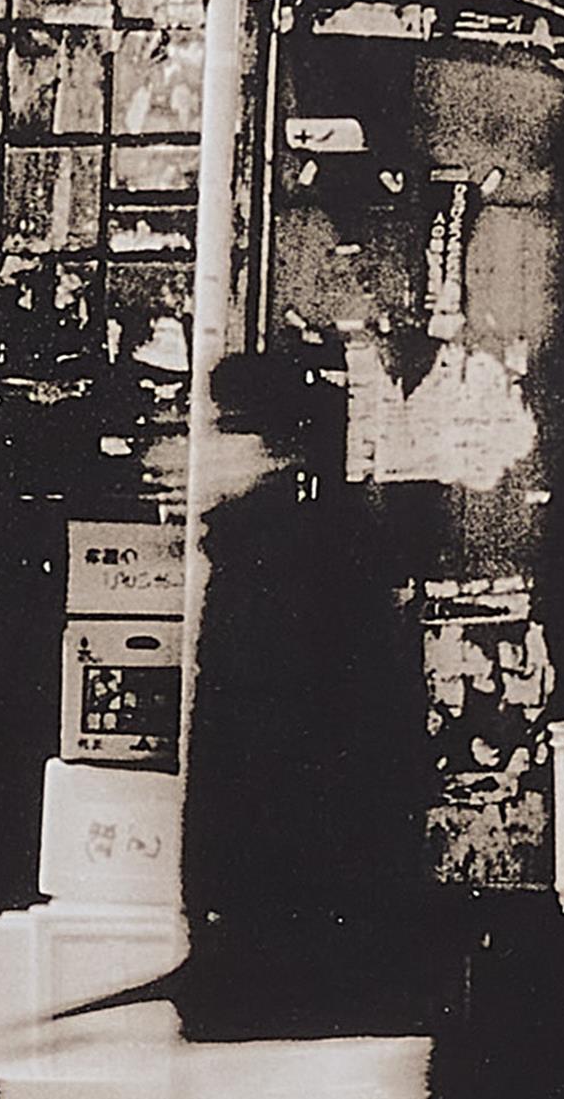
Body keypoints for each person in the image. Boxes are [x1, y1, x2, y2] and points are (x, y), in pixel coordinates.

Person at [178, 342, 435, 1039]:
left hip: (294, 941)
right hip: (282, 934)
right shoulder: (257, 549)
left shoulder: (288, 563)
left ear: (275, 447)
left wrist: (228, 915)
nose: (203, 448)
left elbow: (270, 755)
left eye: (227, 428)